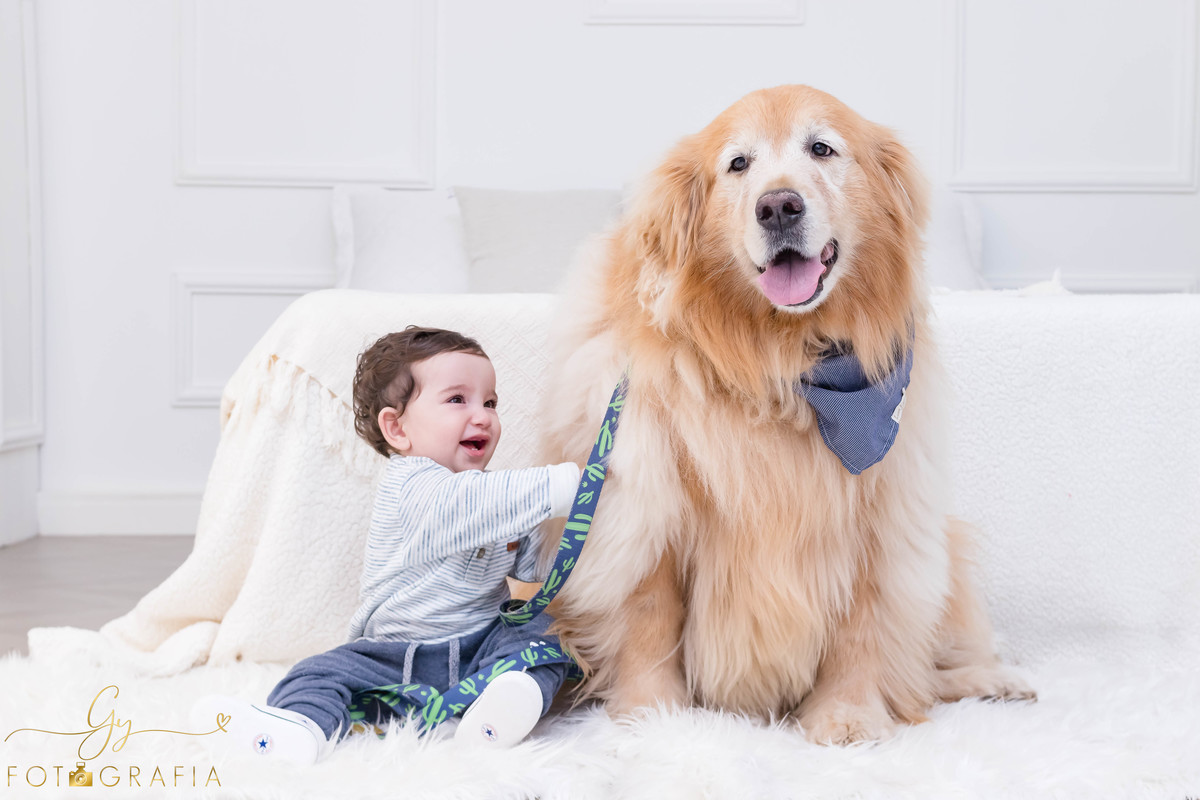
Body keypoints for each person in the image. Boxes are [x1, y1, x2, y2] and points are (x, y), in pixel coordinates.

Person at [191, 327, 581, 764]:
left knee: (545, 633)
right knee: (318, 672)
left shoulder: (502, 499)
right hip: (394, 655)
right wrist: (568, 483)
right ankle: (298, 727)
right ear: (396, 428)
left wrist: (570, 541)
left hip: (479, 646)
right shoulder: (411, 485)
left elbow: (535, 573)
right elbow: (467, 504)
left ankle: (510, 698)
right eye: (458, 400)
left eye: (489, 402)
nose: (483, 416)